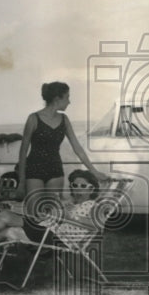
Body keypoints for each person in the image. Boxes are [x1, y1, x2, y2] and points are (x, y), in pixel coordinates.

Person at [18, 82, 109, 211]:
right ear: (57, 99)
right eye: (67, 97)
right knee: (33, 212)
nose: (69, 102)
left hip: (55, 170)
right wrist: (21, 182)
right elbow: (23, 153)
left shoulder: (64, 119)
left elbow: (78, 149)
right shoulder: (33, 119)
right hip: (34, 170)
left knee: (52, 212)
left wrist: (94, 172)